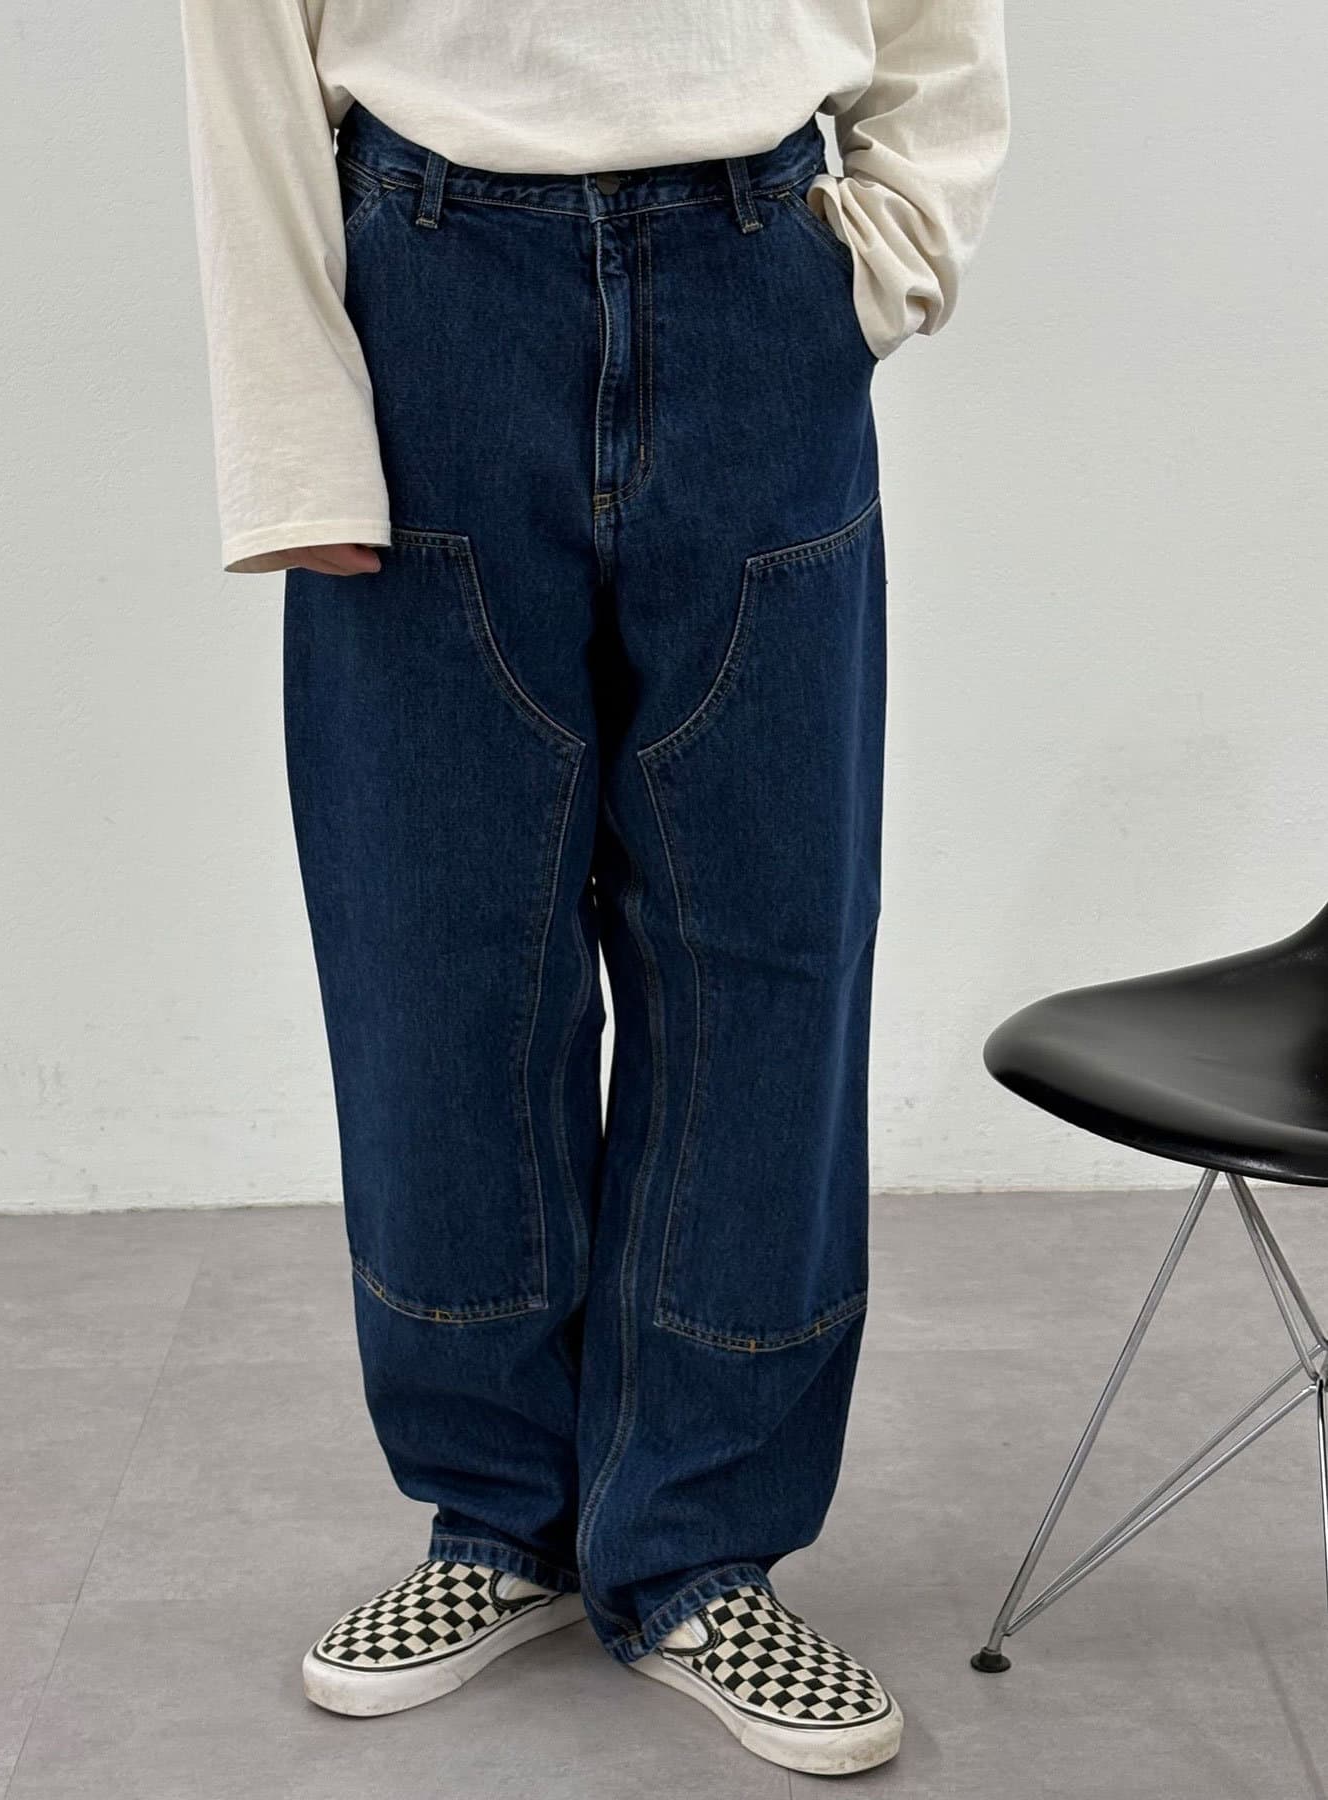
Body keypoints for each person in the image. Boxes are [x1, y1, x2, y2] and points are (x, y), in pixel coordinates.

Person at [179, 0, 1008, 1776]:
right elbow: (242, 45)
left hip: (760, 274)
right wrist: (294, 440)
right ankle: (499, 1521)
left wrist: (887, 257)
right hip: (427, 294)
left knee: (767, 952)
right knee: (439, 957)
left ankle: (702, 1547)